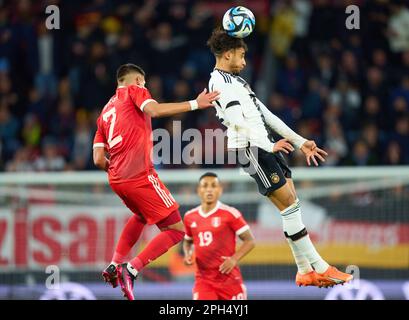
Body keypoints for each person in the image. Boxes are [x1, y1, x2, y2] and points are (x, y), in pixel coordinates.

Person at [206, 28, 352, 288]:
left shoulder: (237, 81)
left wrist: (300, 142)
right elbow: (239, 124)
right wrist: (268, 147)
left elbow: (266, 115)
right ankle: (319, 267)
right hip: (251, 149)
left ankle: (304, 270)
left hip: (264, 146)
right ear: (227, 54)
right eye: (241, 56)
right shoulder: (220, 84)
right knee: (289, 205)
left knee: (292, 205)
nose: (245, 62)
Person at [93, 63, 219, 300]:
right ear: (138, 80)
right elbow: (155, 111)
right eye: (144, 81)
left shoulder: (105, 112)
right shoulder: (135, 90)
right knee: (176, 231)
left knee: (141, 216)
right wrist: (195, 103)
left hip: (117, 179)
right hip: (139, 175)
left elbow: (99, 159)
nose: (146, 85)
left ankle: (113, 264)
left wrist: (119, 170)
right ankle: (131, 270)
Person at [183, 172, 255, 300]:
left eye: (213, 186)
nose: (209, 189)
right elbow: (187, 241)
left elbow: (250, 241)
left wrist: (234, 259)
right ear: (199, 190)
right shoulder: (190, 217)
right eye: (205, 186)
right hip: (203, 280)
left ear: (220, 190)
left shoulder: (230, 214)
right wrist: (188, 254)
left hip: (228, 278)